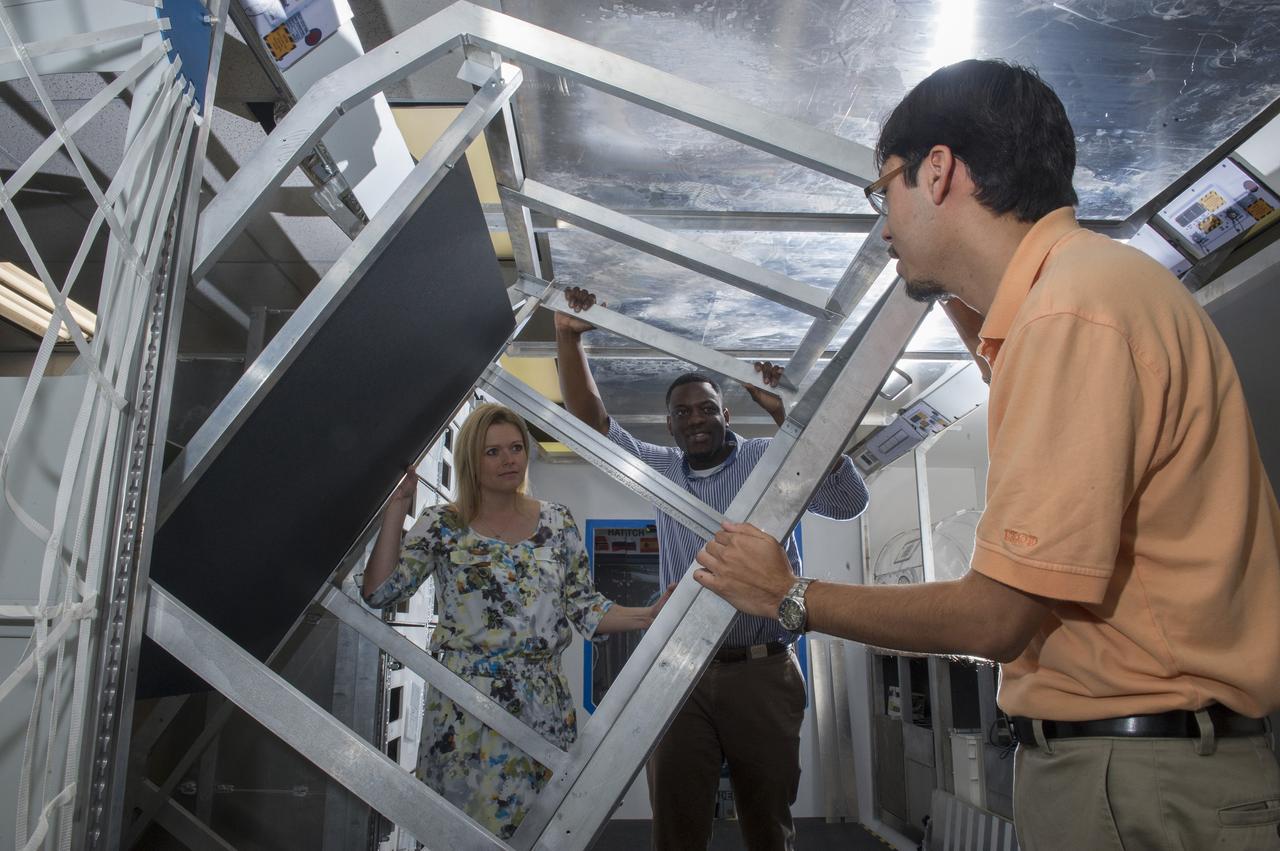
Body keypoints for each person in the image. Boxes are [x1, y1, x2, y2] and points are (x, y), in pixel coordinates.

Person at [693, 59, 1280, 850]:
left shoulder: (1073, 313)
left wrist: (788, 594)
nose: (883, 226)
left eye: (884, 193)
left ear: (937, 170)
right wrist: (968, 298)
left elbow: (995, 617)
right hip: (1146, 764)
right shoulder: (1090, 291)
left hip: (1136, 781)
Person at [554, 293, 869, 851]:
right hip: (679, 672)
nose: (696, 419)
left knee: (767, 823)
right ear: (669, 426)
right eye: (683, 412)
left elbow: (848, 501)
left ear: (727, 414)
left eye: (706, 408)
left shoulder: (770, 459)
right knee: (676, 823)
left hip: (762, 671)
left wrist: (785, 414)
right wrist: (568, 336)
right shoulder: (659, 469)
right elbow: (591, 422)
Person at [361, 403, 671, 840]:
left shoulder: (557, 521)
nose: (509, 460)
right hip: (465, 703)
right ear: (471, 458)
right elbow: (380, 592)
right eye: (492, 452)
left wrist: (650, 614)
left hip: (542, 706)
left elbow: (585, 608)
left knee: (541, 832)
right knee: (462, 831)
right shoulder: (443, 523)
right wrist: (396, 506)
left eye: (515, 448)